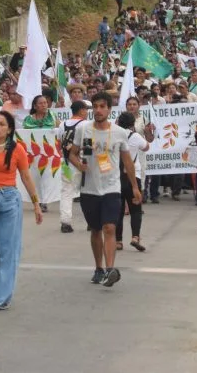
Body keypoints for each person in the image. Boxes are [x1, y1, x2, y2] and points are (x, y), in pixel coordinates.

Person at [68, 92, 141, 287]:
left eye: (102, 106)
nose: (99, 110)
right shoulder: (83, 129)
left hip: (112, 187)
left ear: (109, 109)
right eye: (96, 106)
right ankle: (98, 268)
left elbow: (127, 161)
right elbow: (72, 154)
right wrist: (79, 165)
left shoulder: (119, 132)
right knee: (95, 230)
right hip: (89, 189)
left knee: (110, 227)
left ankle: (110, 270)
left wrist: (135, 187)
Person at [0, 111, 44, 310]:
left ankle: (1, 298)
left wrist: (36, 203)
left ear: (9, 129)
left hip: (8, 201)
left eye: (1, 124)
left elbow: (26, 177)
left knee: (7, 252)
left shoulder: (17, 149)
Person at [115, 111, 149, 251]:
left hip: (117, 177)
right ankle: (135, 237)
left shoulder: (114, 135)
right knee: (136, 209)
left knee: (119, 210)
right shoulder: (135, 136)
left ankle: (118, 241)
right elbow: (146, 147)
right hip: (133, 176)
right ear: (132, 123)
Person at [56, 100, 89, 233]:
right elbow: (88, 144)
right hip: (81, 162)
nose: (87, 112)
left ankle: (65, 222)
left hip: (66, 163)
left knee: (66, 191)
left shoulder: (62, 124)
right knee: (87, 192)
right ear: (81, 110)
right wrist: (86, 163)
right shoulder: (86, 124)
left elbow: (58, 143)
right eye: (86, 110)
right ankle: (91, 222)